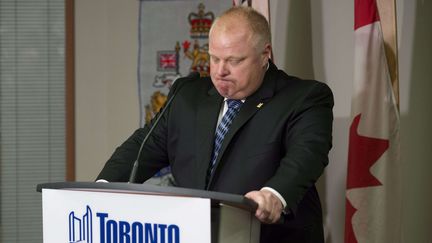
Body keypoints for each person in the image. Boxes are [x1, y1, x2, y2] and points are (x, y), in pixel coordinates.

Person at [97, 6, 333, 243]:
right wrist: (100, 190)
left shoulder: (304, 97)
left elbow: (307, 155)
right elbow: (142, 149)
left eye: (234, 60)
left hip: (272, 236)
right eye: (214, 58)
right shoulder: (187, 96)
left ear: (265, 54)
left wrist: (273, 196)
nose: (220, 71)